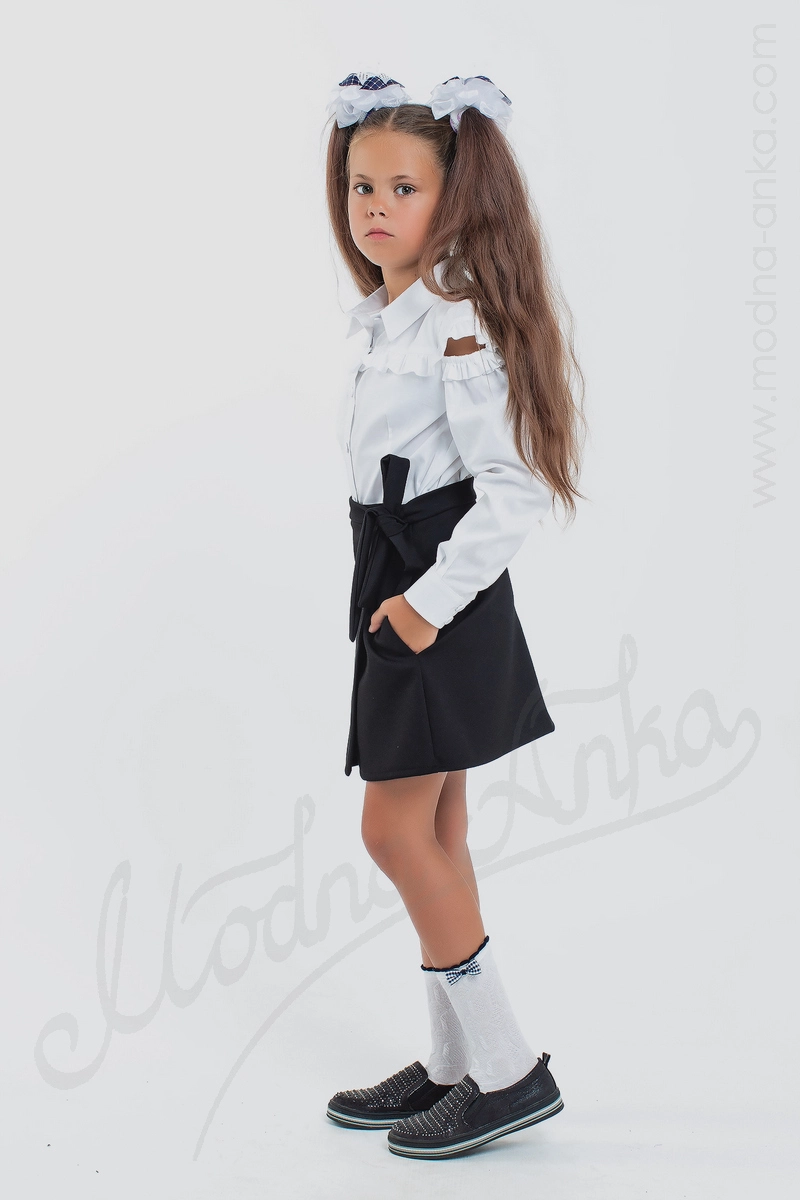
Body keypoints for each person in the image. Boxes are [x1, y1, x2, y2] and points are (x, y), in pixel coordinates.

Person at [322, 71, 586, 1159]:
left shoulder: (458, 325)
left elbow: (511, 488)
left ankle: (509, 1069)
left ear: (455, 195)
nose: (376, 207)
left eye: (404, 188)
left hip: (436, 588)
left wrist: (424, 609)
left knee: (391, 830)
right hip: (399, 577)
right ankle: (452, 1064)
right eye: (361, 186)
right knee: (436, 829)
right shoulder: (391, 319)